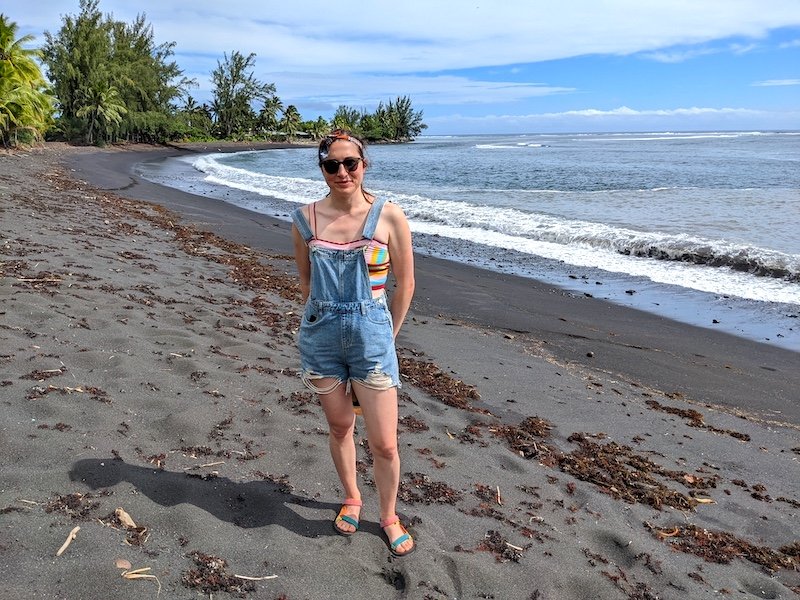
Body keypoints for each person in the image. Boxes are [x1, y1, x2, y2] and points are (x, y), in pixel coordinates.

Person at [291, 129, 416, 557]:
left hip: (373, 338)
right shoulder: (304, 218)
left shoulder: (389, 216)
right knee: (341, 426)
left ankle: (388, 515)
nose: (342, 172)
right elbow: (306, 282)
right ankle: (351, 498)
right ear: (322, 168)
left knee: (384, 443)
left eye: (350, 163)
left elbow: (406, 285)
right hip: (321, 338)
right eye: (332, 165)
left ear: (365, 166)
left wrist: (387, 335)